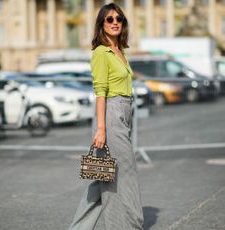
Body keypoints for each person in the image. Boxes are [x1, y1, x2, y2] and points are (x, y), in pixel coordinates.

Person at [67, 3, 144, 230]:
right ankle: (128, 226)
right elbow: (100, 92)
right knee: (123, 174)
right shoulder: (101, 52)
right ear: (102, 24)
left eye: (119, 19)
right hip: (111, 115)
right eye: (109, 19)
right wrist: (101, 128)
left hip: (124, 113)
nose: (115, 23)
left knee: (104, 175)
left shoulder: (120, 51)